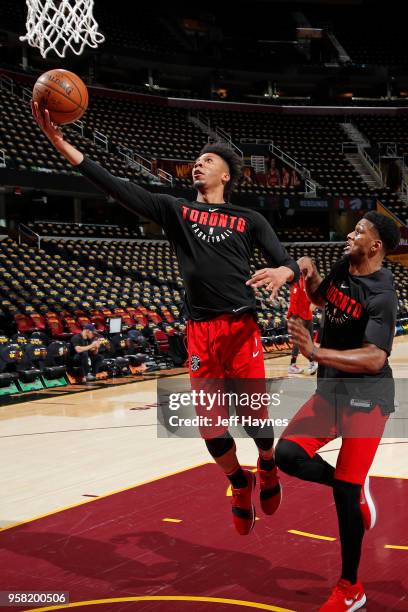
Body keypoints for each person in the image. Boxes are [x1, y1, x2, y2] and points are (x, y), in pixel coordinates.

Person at [32, 102, 300, 535]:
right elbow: (118, 187)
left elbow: (285, 261)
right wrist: (62, 142)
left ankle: (267, 466)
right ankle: (240, 482)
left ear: (225, 175)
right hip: (200, 333)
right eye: (196, 161)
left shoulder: (249, 219)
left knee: (253, 418)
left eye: (207, 161)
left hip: (240, 327)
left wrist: (284, 271)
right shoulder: (175, 210)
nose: (198, 165)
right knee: (210, 426)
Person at [249, 212, 400, 611]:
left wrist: (316, 352)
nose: (350, 233)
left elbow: (373, 357)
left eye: (359, 230)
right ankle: (352, 491)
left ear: (376, 246)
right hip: (332, 392)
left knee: (345, 500)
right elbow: (322, 298)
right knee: (288, 456)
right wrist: (305, 270)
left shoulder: (383, 294)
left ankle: (351, 587)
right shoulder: (345, 266)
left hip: (368, 398)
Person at [286, 275, 317, 375]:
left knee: (310, 341)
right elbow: (293, 302)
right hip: (299, 316)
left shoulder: (308, 284)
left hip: (308, 316)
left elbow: (312, 300)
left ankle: (310, 363)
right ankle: (293, 365)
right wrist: (293, 316)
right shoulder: (296, 284)